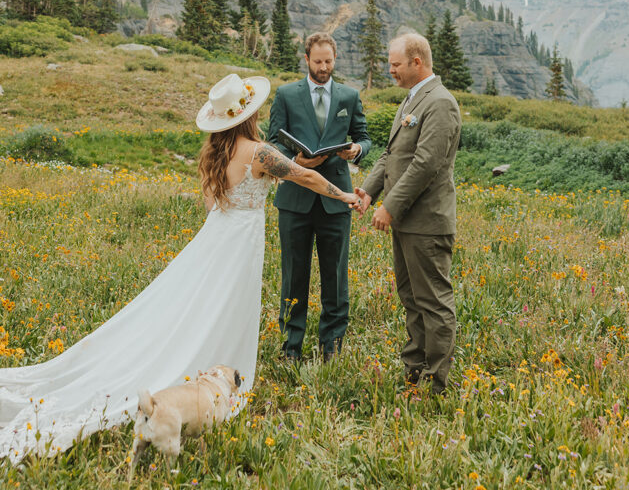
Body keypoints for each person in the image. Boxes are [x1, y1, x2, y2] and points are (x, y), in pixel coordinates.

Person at [0, 73, 359, 462]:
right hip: (240, 242)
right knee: (227, 303)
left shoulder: (214, 153)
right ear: (249, 116)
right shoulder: (259, 152)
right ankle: (216, 371)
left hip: (218, 233)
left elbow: (212, 206)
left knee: (199, 301)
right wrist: (344, 195)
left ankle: (205, 367)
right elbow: (304, 176)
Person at [355, 33, 460, 396]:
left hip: (427, 222)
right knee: (411, 299)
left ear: (417, 62)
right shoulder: (410, 102)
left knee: (433, 301)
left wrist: (390, 206)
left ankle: (436, 382)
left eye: (395, 64)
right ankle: (414, 370)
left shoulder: (441, 103)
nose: (390, 70)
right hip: (406, 223)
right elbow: (390, 155)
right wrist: (368, 193)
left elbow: (425, 164)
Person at [268, 32, 371, 361]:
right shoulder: (285, 94)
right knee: (293, 275)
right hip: (295, 199)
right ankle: (291, 348)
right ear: (307, 59)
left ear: (334, 59)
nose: (324, 67)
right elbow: (273, 143)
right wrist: (296, 161)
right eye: (318, 62)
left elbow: (365, 138)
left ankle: (332, 348)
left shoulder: (349, 96)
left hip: (336, 200)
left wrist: (356, 150)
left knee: (336, 277)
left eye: (329, 61)